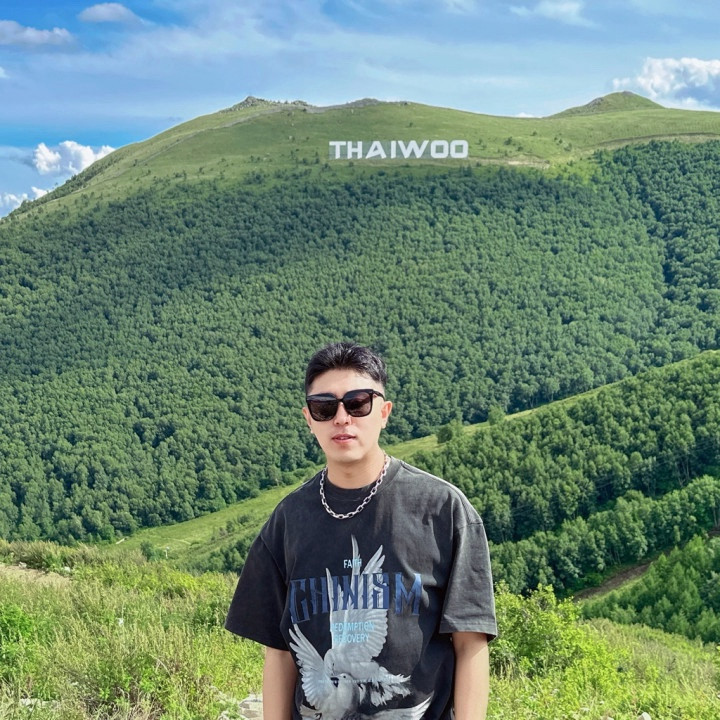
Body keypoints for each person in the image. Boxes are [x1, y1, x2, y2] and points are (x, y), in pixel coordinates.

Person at [225, 342, 497, 720]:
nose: (342, 418)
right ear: (309, 419)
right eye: (324, 407)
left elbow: (471, 644)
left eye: (358, 403)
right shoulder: (287, 521)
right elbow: (280, 652)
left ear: (384, 412)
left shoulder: (443, 510)